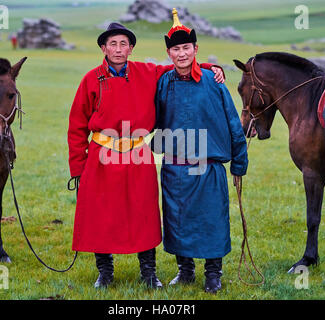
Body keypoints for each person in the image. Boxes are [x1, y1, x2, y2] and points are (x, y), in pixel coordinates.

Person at [67, 22, 225, 289]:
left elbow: (176, 67)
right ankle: (105, 272)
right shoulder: (91, 79)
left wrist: (210, 67)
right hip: (101, 157)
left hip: (137, 155)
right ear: (104, 48)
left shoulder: (146, 72)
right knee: (100, 215)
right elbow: (77, 125)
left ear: (131, 48)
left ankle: (149, 273)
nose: (118, 49)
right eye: (112, 44)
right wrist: (78, 168)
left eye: (123, 44)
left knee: (144, 212)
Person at [153, 9, 248, 293]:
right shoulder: (163, 83)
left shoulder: (214, 82)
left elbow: (233, 123)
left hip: (208, 167)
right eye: (175, 49)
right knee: (177, 219)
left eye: (186, 48)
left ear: (195, 48)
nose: (181, 54)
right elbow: (152, 117)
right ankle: (185, 271)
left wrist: (239, 164)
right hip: (175, 167)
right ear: (169, 53)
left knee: (211, 220)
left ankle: (213, 274)